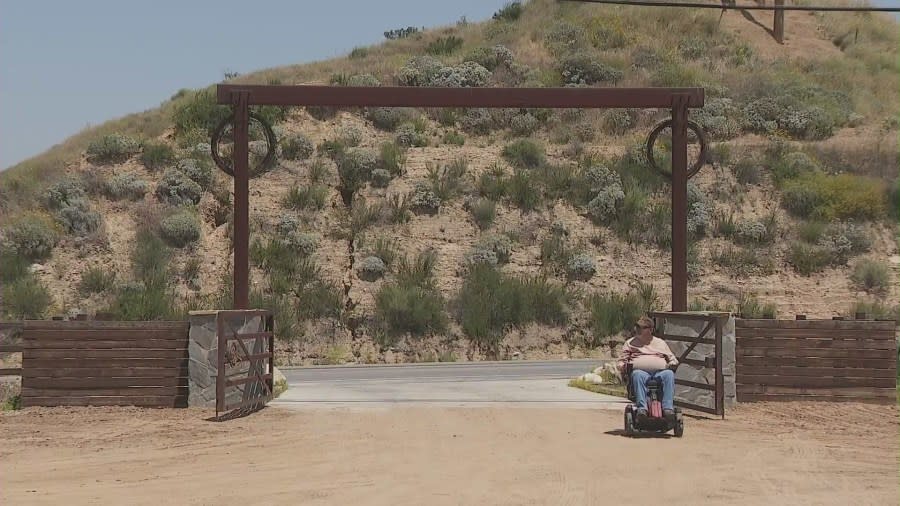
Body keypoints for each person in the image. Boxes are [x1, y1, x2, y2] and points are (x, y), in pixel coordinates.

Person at [616, 316, 679, 422]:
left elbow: (672, 358)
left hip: (660, 372)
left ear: (650, 329)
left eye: (642, 327)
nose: (638, 329)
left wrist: (672, 363)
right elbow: (621, 360)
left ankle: (668, 408)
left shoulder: (660, 343)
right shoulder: (630, 343)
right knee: (636, 374)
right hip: (641, 372)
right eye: (637, 327)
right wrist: (622, 366)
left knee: (669, 374)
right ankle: (642, 409)